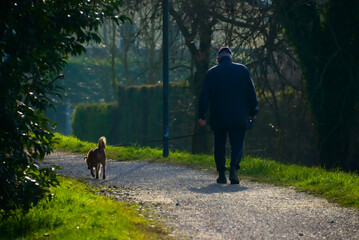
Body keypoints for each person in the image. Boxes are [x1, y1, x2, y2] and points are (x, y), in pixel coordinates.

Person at [198, 47, 258, 184]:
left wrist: (202, 115)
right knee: (237, 144)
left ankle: (221, 174)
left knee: (219, 145)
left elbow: (204, 97)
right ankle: (233, 170)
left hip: (219, 116)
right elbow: (251, 93)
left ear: (218, 60)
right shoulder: (242, 70)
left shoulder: (211, 73)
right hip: (239, 115)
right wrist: (253, 112)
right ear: (231, 58)